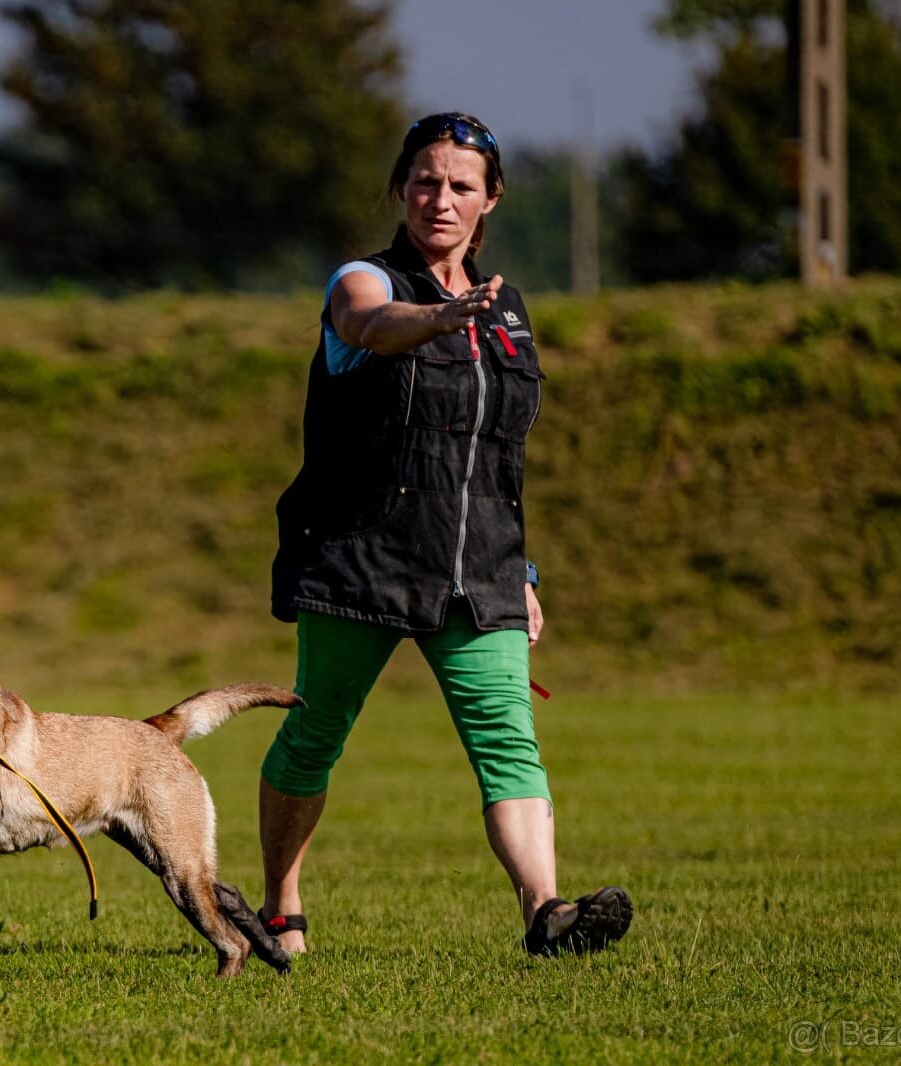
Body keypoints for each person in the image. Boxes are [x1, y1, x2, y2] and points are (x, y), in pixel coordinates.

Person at [259, 113, 632, 957]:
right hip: (363, 557)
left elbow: (497, 457)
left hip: (480, 566)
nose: (441, 199)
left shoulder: (507, 309)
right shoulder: (364, 281)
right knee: (316, 732)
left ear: (490, 200)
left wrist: (521, 570)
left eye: (462, 185)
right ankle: (281, 905)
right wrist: (437, 316)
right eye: (425, 181)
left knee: (507, 737)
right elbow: (369, 327)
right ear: (400, 188)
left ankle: (546, 912)